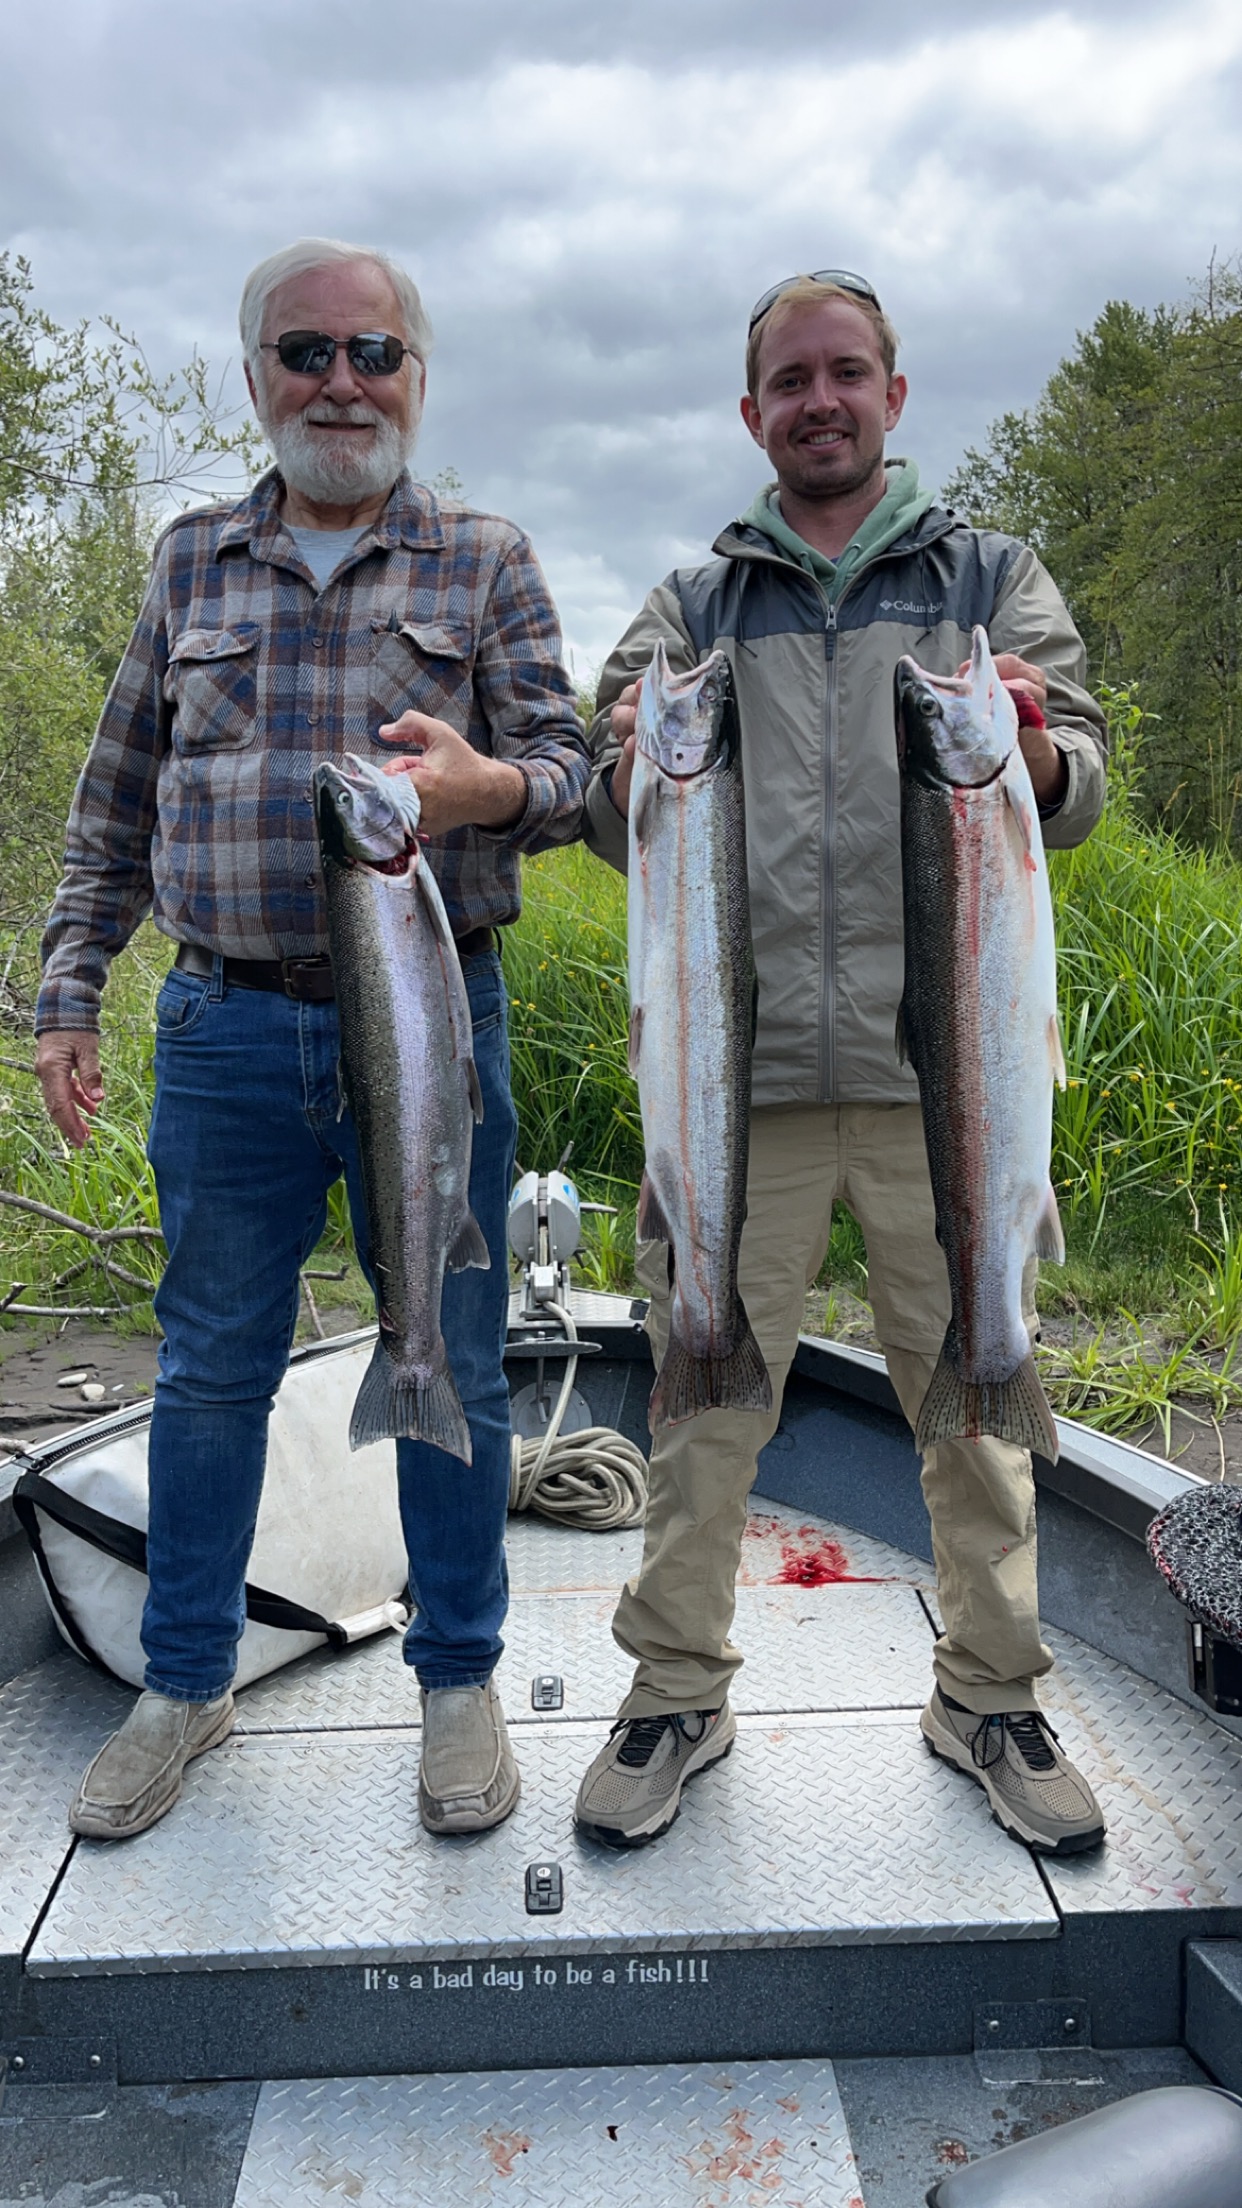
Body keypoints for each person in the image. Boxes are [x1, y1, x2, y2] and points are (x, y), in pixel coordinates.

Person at [35, 236, 589, 1842]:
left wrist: (487, 787)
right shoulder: (189, 563)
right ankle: (183, 1682)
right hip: (224, 1024)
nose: (341, 383)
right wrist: (70, 992)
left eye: (373, 353)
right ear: (256, 375)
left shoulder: (486, 560)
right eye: (305, 353)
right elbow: (113, 804)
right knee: (210, 1363)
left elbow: (572, 777)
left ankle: (458, 1680)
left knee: (455, 1354)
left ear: (416, 373)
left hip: (431, 1024)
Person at [574, 269, 1109, 1857]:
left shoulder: (987, 579)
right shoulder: (691, 606)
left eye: (845, 372)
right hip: (731, 1095)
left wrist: (1033, 742)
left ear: (891, 393)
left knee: (978, 1411)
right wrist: (623, 759)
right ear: (754, 415)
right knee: (700, 1412)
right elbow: (602, 806)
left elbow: (1076, 782)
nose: (820, 400)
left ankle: (990, 1696)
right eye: (791, 380)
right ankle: (676, 1691)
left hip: (945, 1085)